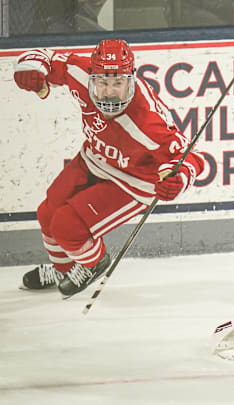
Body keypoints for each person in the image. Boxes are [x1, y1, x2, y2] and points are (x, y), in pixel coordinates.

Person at [13, 40, 205, 297]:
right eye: (102, 83)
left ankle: (94, 263)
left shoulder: (147, 122)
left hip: (133, 180)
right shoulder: (79, 72)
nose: (109, 92)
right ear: (91, 78)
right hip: (95, 158)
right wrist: (30, 67)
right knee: (47, 212)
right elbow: (46, 58)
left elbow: (191, 157)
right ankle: (64, 268)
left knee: (66, 227)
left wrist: (179, 178)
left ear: (131, 80)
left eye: (118, 83)